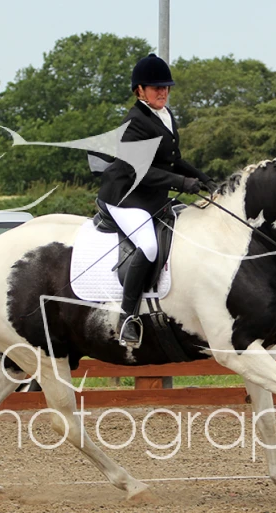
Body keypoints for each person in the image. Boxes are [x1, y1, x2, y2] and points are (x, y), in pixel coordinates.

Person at [97, 53, 216, 347]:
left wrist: (205, 179)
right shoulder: (134, 123)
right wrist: (182, 183)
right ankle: (127, 318)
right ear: (140, 90)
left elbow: (173, 160)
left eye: (166, 87)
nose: (163, 92)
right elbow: (139, 171)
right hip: (125, 198)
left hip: (152, 197)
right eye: (156, 88)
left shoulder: (165, 116)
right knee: (149, 246)